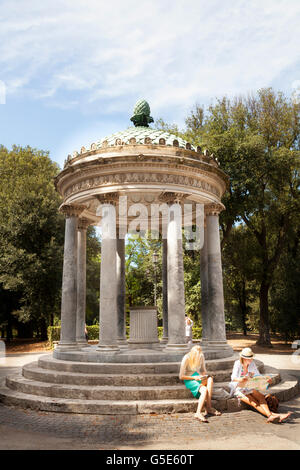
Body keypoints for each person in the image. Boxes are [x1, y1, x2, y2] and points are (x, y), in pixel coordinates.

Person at [230, 347, 292, 423]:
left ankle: (272, 416)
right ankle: (272, 415)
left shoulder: (252, 363)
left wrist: (266, 380)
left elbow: (258, 376)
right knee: (253, 402)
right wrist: (241, 379)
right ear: (243, 358)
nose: (250, 360)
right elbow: (233, 378)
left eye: (251, 358)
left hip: (249, 386)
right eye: (248, 359)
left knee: (261, 397)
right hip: (238, 389)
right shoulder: (237, 364)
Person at [179, 345, 221, 422]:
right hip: (189, 378)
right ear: (192, 354)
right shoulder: (186, 358)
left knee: (210, 378)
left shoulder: (201, 355)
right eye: (196, 356)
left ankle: (209, 407)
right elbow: (181, 376)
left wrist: (204, 376)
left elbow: (203, 370)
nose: (198, 358)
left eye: (199, 356)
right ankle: (198, 413)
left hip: (198, 376)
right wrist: (194, 378)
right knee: (204, 390)